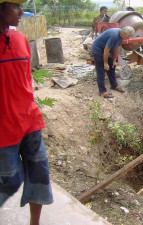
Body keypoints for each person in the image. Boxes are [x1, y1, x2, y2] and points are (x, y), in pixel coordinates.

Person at [0, 1, 54, 225]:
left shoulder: (21, 40)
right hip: (3, 128)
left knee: (39, 176)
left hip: (30, 122)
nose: (21, 12)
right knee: (10, 180)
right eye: (15, 6)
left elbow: (26, 80)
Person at [92, 26, 134, 98]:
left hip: (105, 50)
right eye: (129, 36)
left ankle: (114, 85)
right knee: (101, 70)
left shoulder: (121, 36)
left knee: (112, 65)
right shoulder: (114, 35)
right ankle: (102, 91)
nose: (129, 38)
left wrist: (114, 59)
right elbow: (106, 49)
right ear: (124, 33)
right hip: (98, 49)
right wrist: (105, 63)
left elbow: (117, 48)